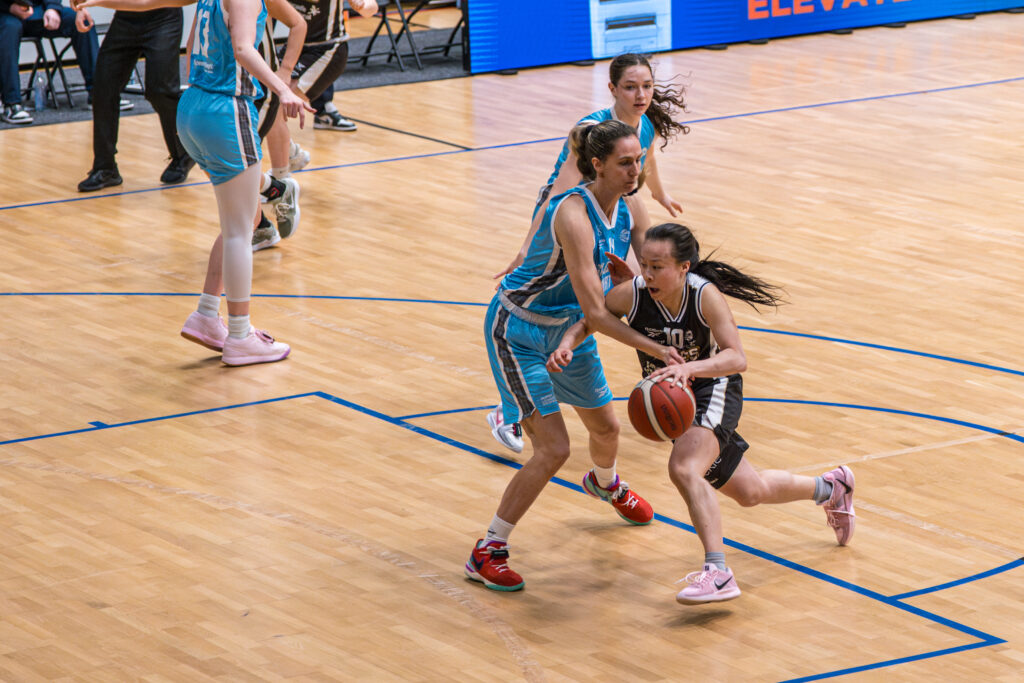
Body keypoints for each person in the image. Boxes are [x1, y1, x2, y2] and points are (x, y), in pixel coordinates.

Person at [546, 222, 856, 605]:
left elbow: (736, 358)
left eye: (658, 266)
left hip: (713, 386)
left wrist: (688, 369)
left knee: (683, 468)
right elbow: (593, 318)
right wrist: (566, 343)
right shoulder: (634, 294)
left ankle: (718, 572)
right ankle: (832, 488)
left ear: (684, 268)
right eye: (644, 264)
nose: (648, 273)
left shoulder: (704, 296)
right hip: (679, 396)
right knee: (750, 491)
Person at [465, 119, 685, 593]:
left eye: (639, 161)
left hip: (569, 330)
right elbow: (599, 312)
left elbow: (652, 269)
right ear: (597, 164)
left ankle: (604, 483)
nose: (635, 171)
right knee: (554, 449)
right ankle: (488, 549)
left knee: (606, 428)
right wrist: (659, 350)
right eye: (625, 163)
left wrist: (666, 289)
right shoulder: (573, 213)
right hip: (519, 332)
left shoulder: (629, 205)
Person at [75, 0, 313, 365]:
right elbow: (243, 48)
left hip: (191, 108)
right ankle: (239, 335)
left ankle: (205, 314)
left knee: (238, 219)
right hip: (225, 109)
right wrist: (282, 87)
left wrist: (97, 0)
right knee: (240, 230)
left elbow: (147, 3)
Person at [487, 52, 689, 452]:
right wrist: (529, 244)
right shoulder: (589, 130)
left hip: (612, 209)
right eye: (631, 87)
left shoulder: (642, 127)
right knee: (573, 299)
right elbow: (560, 189)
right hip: (563, 212)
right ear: (612, 89)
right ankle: (508, 406)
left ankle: (547, 381)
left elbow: (645, 161)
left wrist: (659, 193)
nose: (641, 94)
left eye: (646, 86)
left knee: (611, 292)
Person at [250, 0, 375, 250]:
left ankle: (283, 176)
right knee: (274, 109)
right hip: (295, 47)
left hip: (327, 49)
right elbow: (267, 14)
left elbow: (370, 8)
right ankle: (289, 155)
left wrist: (364, 5)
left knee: (277, 107)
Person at [76, 6, 194, 191]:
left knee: (160, 91)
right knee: (103, 89)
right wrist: (80, 7)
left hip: (163, 17)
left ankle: (183, 153)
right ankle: (105, 168)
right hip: (125, 18)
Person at [1, 0, 99, 124]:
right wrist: (9, 7)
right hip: (5, 13)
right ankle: (11, 103)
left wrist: (53, 8)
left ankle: (99, 93)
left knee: (82, 21)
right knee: (9, 28)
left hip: (37, 10)